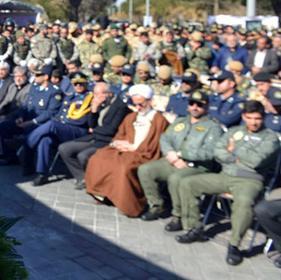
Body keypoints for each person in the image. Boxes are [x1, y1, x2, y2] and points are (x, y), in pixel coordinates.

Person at [175, 100, 280, 266]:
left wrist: (234, 150)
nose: (254, 122)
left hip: (249, 181)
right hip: (225, 175)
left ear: (264, 118)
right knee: (188, 183)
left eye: (258, 118)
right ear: (244, 116)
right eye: (250, 117)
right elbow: (218, 151)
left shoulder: (271, 139)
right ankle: (194, 228)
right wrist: (234, 157)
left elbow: (257, 160)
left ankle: (234, 245)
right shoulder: (234, 131)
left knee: (244, 202)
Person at [137, 91, 223, 230]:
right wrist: (171, 154)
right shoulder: (180, 121)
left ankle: (179, 215)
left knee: (176, 179)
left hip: (197, 167)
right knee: (146, 170)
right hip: (173, 161)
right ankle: (156, 205)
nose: (195, 107)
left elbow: (210, 152)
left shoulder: (213, 127)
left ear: (206, 107)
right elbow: (165, 138)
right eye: (192, 104)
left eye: (199, 105)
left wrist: (182, 154)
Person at [84, 84, 168, 217]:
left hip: (144, 153)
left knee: (124, 167)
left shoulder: (159, 120)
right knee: (98, 157)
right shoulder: (131, 117)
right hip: (125, 150)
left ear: (149, 101)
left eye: (141, 104)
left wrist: (134, 148)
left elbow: (154, 146)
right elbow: (118, 136)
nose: (138, 108)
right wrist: (119, 143)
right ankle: (102, 194)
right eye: (136, 105)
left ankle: (128, 203)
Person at [23, 71, 93, 186]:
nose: (78, 86)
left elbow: (81, 120)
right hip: (64, 129)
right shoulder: (70, 97)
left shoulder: (89, 98)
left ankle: (26, 141)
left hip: (78, 131)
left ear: (86, 84)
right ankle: (42, 174)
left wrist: (61, 123)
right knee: (45, 139)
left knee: (51, 124)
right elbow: (59, 115)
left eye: (81, 83)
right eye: (76, 84)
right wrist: (60, 122)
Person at [58, 82, 130, 190]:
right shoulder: (100, 104)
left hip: (107, 140)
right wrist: (94, 109)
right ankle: (82, 177)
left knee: (83, 156)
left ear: (109, 93)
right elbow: (90, 124)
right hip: (94, 137)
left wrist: (95, 129)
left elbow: (111, 129)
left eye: (99, 95)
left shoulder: (120, 107)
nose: (96, 98)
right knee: (64, 148)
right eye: (95, 95)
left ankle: (94, 181)